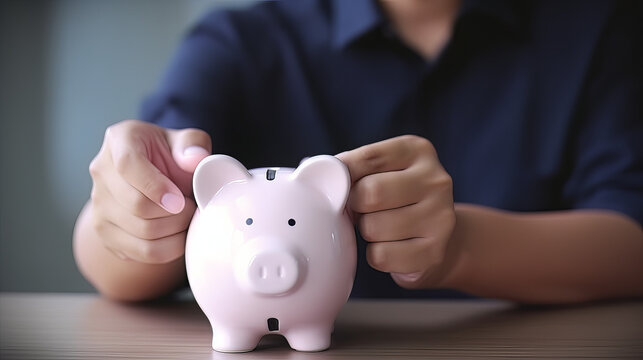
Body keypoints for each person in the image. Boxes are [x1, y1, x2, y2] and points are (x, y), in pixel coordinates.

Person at [73, 0, 643, 303]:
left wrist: (461, 246)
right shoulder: (237, 45)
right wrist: (133, 207)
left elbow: (630, 242)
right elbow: (111, 266)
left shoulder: (600, 28)